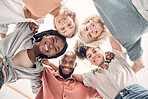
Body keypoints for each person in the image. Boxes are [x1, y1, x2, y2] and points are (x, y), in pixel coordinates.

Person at [0, 22, 68, 94]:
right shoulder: (26, 30)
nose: (51, 46)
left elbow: (38, 91)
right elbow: (11, 16)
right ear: (47, 35)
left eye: (56, 49)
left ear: (51, 55)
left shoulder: (36, 70)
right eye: (53, 40)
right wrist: (33, 21)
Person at [74, 36, 148, 99]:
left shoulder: (117, 58)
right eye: (89, 56)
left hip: (137, 92)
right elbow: (70, 74)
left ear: (102, 51)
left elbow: (111, 34)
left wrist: (93, 38)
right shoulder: (91, 76)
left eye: (94, 51)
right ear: (90, 62)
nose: (93, 55)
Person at [78, 9, 148, 72]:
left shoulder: (102, 7)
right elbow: (139, 64)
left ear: (88, 21)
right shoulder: (115, 36)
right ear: (96, 38)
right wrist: (125, 78)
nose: (90, 30)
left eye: (86, 28)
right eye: (90, 35)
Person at [35, 51, 103, 99]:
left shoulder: (85, 87)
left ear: (75, 65)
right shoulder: (47, 73)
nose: (67, 65)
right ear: (59, 62)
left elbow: (106, 93)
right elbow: (30, 64)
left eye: (71, 62)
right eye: (64, 61)